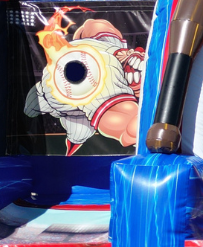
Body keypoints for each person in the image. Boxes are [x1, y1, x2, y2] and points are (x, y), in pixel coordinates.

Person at [24, 17, 146, 155]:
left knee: (78, 134)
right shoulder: (110, 42)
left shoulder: (108, 86)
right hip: (55, 84)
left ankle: (72, 143)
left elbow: (130, 129)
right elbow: (87, 28)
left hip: (61, 98)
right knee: (33, 107)